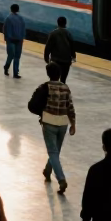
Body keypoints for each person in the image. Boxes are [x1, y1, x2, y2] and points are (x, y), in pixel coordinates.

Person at [39, 62, 76, 194]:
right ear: (60, 74)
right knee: (56, 151)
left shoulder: (46, 87)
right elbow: (70, 107)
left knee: (53, 152)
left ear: (48, 74)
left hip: (49, 122)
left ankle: (61, 179)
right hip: (63, 123)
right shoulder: (66, 88)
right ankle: (47, 171)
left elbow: (34, 104)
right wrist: (73, 124)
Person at [43, 15, 75, 82]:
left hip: (55, 61)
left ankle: (54, 91)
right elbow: (72, 46)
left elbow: (48, 47)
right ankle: (62, 90)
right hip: (66, 61)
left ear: (57, 23)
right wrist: (73, 56)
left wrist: (46, 58)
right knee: (63, 80)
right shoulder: (69, 33)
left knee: (54, 78)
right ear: (65, 24)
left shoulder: (53, 33)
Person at [3, 5, 25, 78]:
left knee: (10, 55)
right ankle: (16, 73)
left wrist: (6, 38)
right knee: (17, 57)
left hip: (10, 40)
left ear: (11, 9)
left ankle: (6, 67)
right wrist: (22, 38)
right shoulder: (21, 19)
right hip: (19, 40)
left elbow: (5, 29)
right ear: (18, 10)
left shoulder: (8, 18)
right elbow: (23, 29)